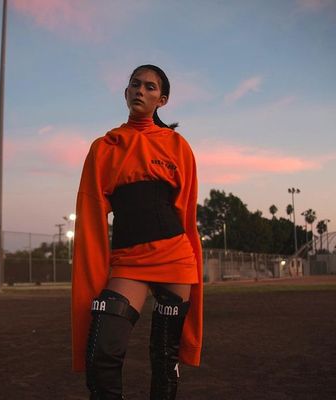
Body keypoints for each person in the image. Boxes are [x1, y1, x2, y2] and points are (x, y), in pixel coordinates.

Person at [71, 64, 203, 400]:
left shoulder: (177, 145)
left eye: (150, 87)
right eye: (134, 84)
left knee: (164, 358)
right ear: (126, 92)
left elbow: (184, 208)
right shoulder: (105, 147)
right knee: (102, 352)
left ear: (163, 99)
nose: (140, 91)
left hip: (175, 256)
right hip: (129, 261)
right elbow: (91, 213)